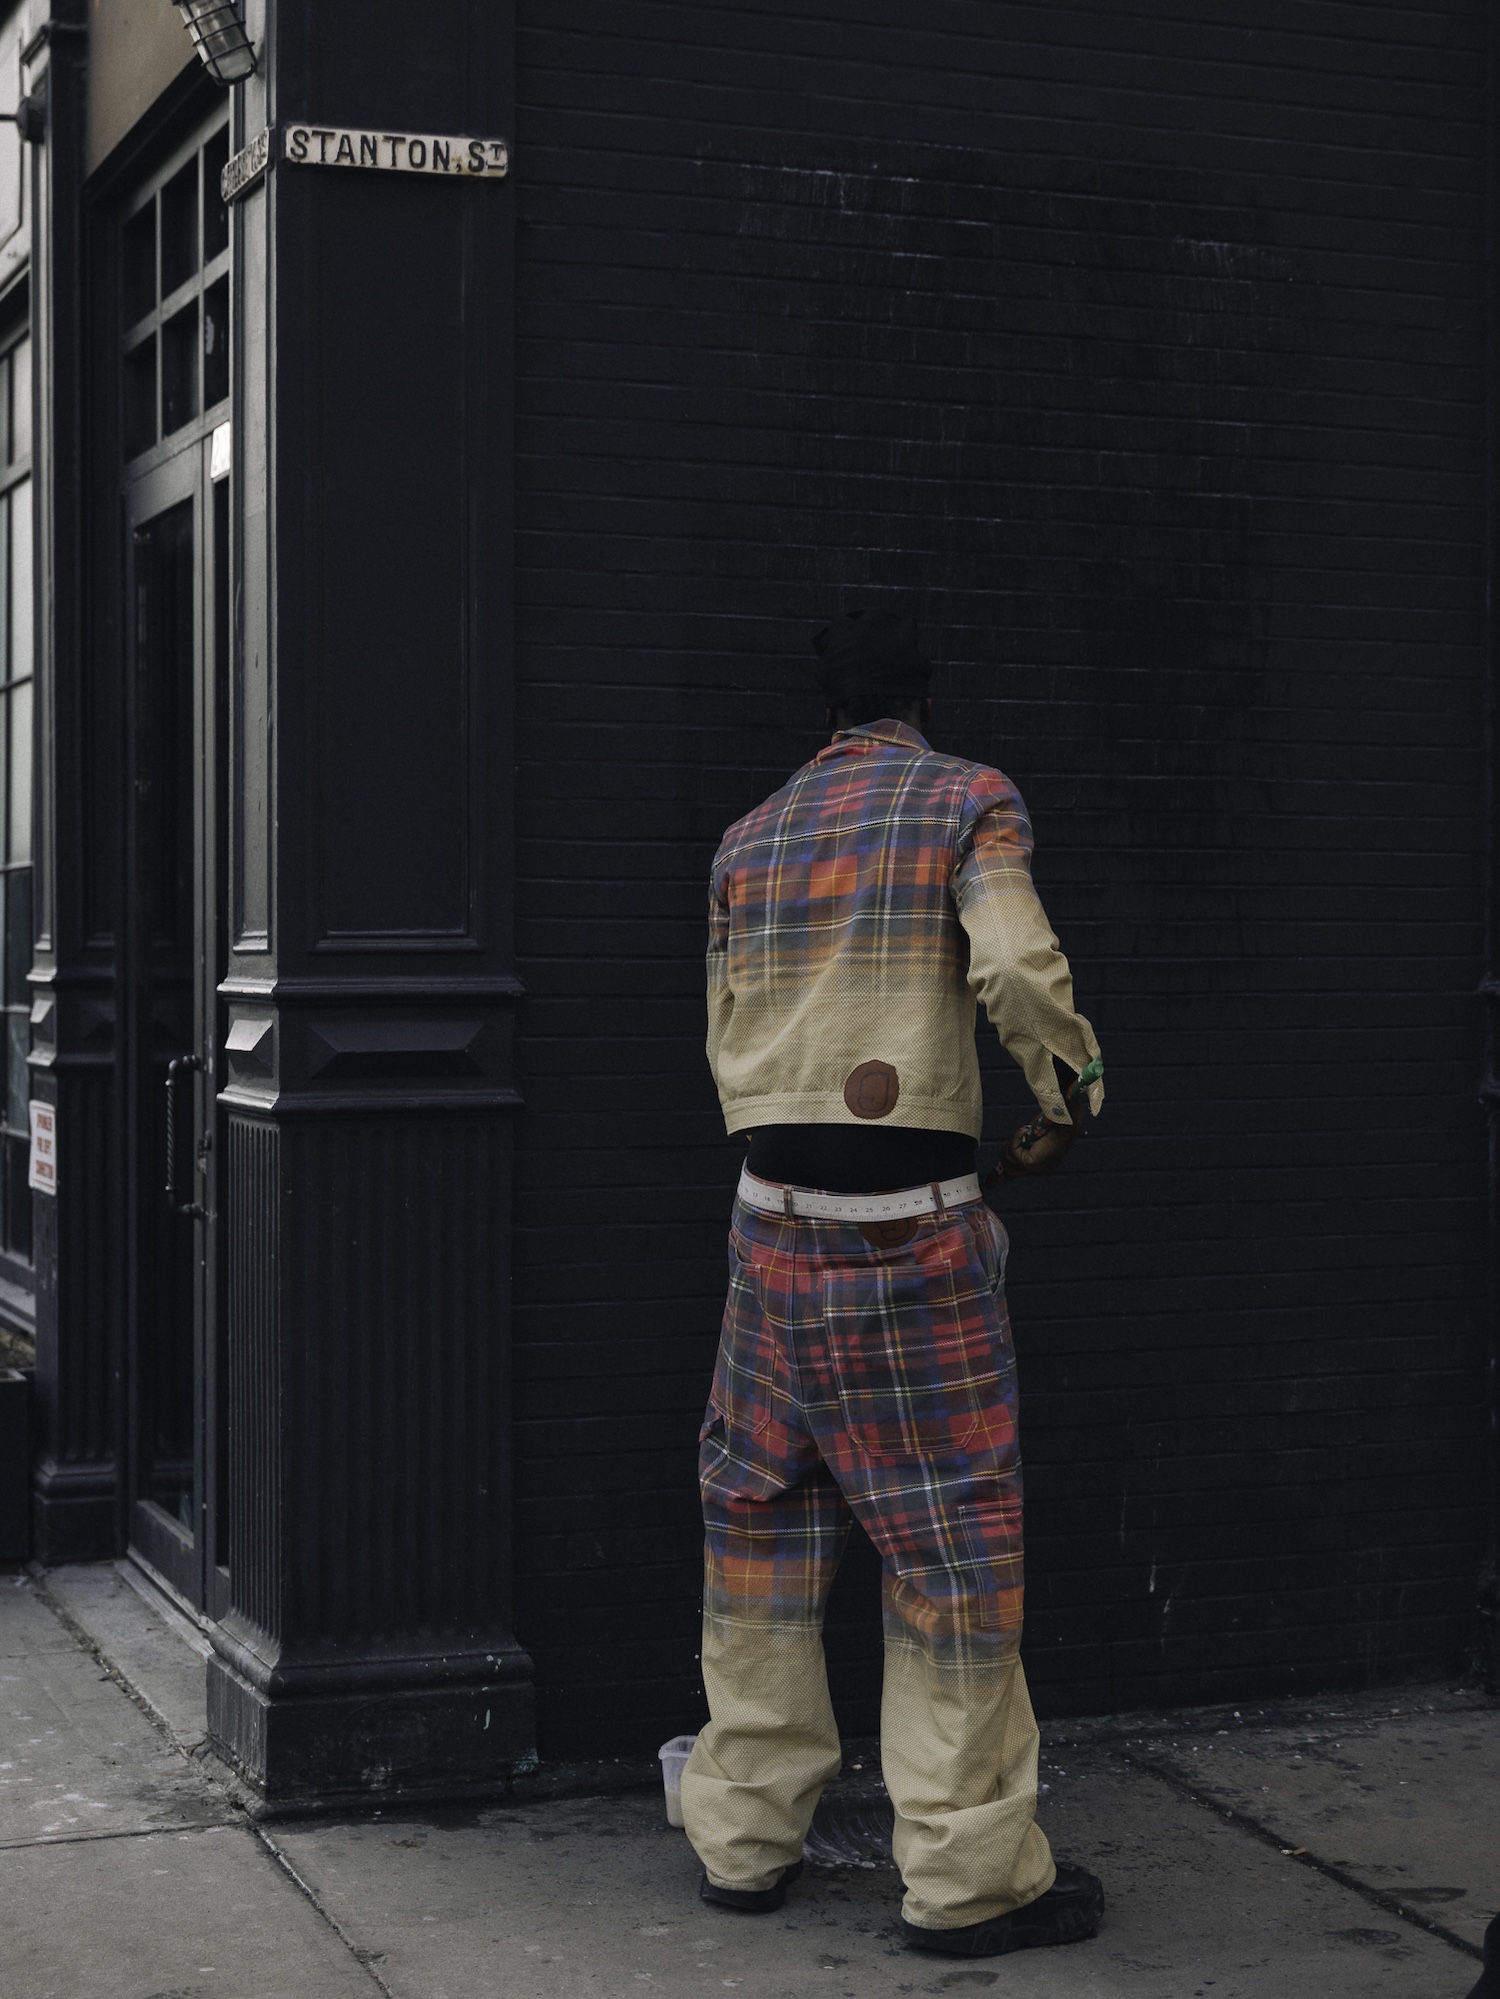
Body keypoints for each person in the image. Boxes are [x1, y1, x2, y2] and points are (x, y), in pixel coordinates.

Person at [679, 607, 1107, 1960]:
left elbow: (728, 1028)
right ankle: (970, 1882)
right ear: (920, 702)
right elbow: (1017, 963)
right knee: (952, 1555)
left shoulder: (748, 838)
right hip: (908, 1241)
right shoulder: (966, 800)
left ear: (826, 711)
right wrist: (1066, 1100)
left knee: (758, 1525)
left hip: (767, 1233)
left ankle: (742, 1842)